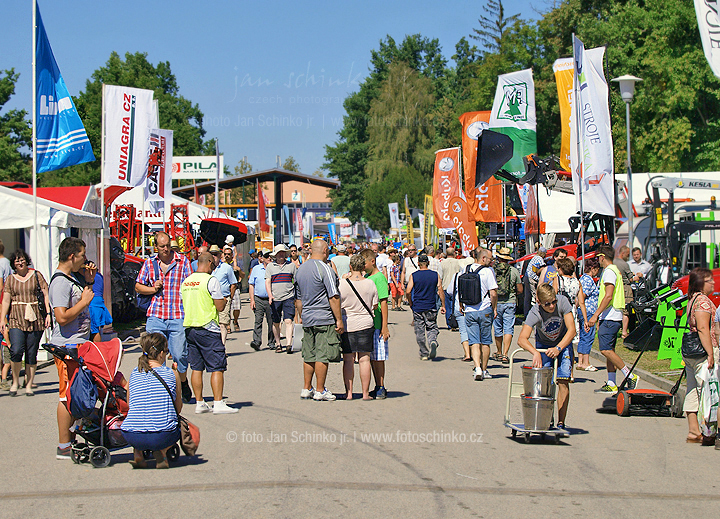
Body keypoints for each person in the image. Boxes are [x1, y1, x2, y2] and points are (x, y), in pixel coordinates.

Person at [49, 237, 96, 459]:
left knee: (76, 393)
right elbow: (62, 317)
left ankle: (70, 438)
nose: (85, 260)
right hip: (66, 347)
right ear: (71, 256)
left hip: (78, 345)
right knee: (66, 395)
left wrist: (88, 282)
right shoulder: (59, 282)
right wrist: (84, 302)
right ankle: (63, 445)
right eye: (82, 255)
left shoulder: (71, 279)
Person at [135, 231, 193, 403]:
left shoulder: (182, 262)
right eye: (162, 246)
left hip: (177, 314)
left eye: (168, 245)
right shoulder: (149, 264)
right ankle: (160, 388)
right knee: (153, 354)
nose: (166, 249)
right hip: (156, 315)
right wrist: (153, 289)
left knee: (179, 354)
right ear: (156, 247)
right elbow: (138, 286)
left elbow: (190, 285)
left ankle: (182, 382)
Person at [181, 252, 238, 414]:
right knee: (216, 367)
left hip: (190, 327)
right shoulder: (211, 280)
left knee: (196, 367)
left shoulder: (187, 281)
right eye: (213, 265)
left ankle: (200, 402)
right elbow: (219, 306)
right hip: (208, 327)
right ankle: (218, 402)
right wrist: (225, 300)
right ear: (209, 263)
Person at [517, 283, 576, 430]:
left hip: (562, 344)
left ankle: (561, 422)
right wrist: (535, 352)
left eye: (553, 302)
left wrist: (558, 348)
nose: (551, 306)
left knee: (563, 381)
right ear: (539, 302)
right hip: (544, 346)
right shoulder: (535, 312)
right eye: (547, 304)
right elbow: (522, 339)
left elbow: (572, 330)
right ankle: (546, 418)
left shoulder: (563, 302)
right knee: (544, 384)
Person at [121, 333, 182, 469]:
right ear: (161, 354)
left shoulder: (134, 373)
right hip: (162, 434)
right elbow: (178, 407)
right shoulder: (172, 373)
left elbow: (130, 403)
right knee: (177, 427)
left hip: (131, 434)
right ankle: (162, 451)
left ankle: (138, 452)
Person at [295, 239, 343, 401]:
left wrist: (302, 316)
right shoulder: (325, 269)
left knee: (309, 354)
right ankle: (320, 390)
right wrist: (339, 320)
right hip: (323, 317)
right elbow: (334, 296)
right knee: (322, 354)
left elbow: (298, 299)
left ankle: (306, 387)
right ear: (324, 250)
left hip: (308, 317)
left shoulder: (301, 269)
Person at [587, 245, 639, 393]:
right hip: (611, 315)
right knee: (609, 350)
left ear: (603, 257)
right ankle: (611, 382)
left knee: (605, 350)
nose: (598, 260)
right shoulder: (613, 270)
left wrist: (596, 315)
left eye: (598, 257)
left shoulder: (609, 272)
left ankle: (629, 375)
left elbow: (608, 295)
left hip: (610, 316)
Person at [0, 249, 51, 396]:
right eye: (17, 261)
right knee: (16, 350)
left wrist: (48, 313)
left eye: (22, 259)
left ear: (26, 260)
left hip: (35, 318)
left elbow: (45, 294)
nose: (20, 262)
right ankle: (15, 382)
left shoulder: (36, 275)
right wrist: (3, 319)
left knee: (31, 353)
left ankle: (29, 384)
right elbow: (5, 300)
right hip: (16, 318)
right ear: (13, 264)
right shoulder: (10, 279)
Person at [682, 267, 718, 444]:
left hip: (691, 352)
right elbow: (703, 328)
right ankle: (707, 430)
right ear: (701, 283)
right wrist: (711, 353)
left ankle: (693, 430)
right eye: (710, 280)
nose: (713, 283)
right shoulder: (703, 302)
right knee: (707, 391)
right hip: (703, 351)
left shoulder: (692, 299)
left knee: (692, 389)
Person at [340, 254, 378, 400]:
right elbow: (374, 304)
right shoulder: (369, 283)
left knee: (348, 360)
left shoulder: (342, 283)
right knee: (364, 359)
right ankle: (365, 393)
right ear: (363, 267)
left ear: (350, 266)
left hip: (348, 323)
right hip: (365, 323)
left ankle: (349, 393)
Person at [456, 248, 498, 380]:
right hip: (484, 309)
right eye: (490, 259)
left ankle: (477, 368)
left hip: (469, 310)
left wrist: (461, 304)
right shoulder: (487, 272)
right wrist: (494, 308)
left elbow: (460, 288)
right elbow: (493, 293)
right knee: (485, 342)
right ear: (483, 258)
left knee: (474, 341)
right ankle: (484, 369)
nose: (491, 261)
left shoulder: (466, 270)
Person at [360, 248, 391, 399]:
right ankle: (376, 385)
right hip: (367, 323)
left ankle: (381, 386)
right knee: (371, 357)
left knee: (378, 357)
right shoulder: (366, 276)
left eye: (364, 263)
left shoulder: (379, 278)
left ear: (372, 261)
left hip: (378, 323)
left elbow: (383, 302)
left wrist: (385, 326)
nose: (362, 266)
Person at [406, 254, 445, 360]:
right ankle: (432, 341)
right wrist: (443, 305)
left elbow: (408, 291)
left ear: (418, 263)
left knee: (419, 330)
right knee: (432, 326)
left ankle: (424, 353)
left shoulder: (414, 275)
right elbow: (440, 290)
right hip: (431, 305)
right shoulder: (435, 275)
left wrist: (410, 302)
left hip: (418, 306)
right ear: (428, 263)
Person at [493, 247, 522, 365]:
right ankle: (505, 354)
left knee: (497, 328)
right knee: (508, 328)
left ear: (498, 258)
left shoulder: (493, 270)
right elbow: (520, 289)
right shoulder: (514, 271)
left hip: (496, 302)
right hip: (510, 301)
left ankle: (499, 351)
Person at [265, 244, 297, 353]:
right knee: (276, 322)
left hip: (288, 297)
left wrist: (297, 296)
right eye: (279, 253)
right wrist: (270, 295)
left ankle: (288, 344)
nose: (281, 255)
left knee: (288, 320)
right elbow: (268, 281)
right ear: (275, 255)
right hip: (275, 298)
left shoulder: (291, 266)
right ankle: (278, 343)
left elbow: (296, 281)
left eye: (283, 253)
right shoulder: (270, 267)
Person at [209, 244, 236, 346]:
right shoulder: (207, 268)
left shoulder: (226, 268)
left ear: (220, 256)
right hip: (210, 300)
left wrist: (230, 298)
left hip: (224, 298)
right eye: (212, 254)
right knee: (212, 324)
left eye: (215, 254)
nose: (214, 257)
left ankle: (221, 347)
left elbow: (233, 284)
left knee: (222, 324)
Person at [576, 258, 600, 371]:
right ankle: (585, 361)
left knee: (583, 335)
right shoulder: (588, 280)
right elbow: (583, 295)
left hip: (585, 310)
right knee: (588, 335)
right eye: (597, 269)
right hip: (588, 310)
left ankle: (580, 361)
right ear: (593, 269)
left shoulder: (583, 278)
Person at [248, 249, 275, 350]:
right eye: (267, 256)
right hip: (258, 298)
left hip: (271, 299)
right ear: (262, 258)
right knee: (258, 321)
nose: (269, 258)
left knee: (271, 321)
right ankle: (257, 341)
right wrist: (252, 300)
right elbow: (251, 284)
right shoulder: (256, 269)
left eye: (270, 256)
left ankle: (271, 342)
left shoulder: (274, 269)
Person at [615, 245, 635, 339]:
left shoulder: (613, 262)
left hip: (616, 288)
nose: (628, 256)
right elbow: (630, 279)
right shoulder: (624, 264)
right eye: (627, 254)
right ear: (623, 253)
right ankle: (624, 332)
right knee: (626, 311)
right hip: (625, 289)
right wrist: (636, 277)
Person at [88, 266, 112, 343]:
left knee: (94, 331)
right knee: (96, 329)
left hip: (93, 304)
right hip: (99, 303)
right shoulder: (99, 276)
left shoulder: (91, 277)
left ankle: (97, 348)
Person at [439, 247, 461, 329]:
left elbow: (440, 276)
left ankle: (450, 323)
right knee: (456, 306)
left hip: (445, 286)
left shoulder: (442, 263)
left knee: (447, 307)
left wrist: (439, 288)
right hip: (456, 287)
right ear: (454, 253)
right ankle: (456, 322)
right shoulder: (458, 262)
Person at [225, 246, 244, 332]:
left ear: (232, 255)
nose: (227, 256)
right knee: (226, 307)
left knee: (236, 307)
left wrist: (239, 270)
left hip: (235, 287)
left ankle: (235, 321)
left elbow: (243, 276)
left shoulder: (237, 264)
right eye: (225, 254)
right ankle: (227, 324)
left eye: (229, 254)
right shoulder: (222, 265)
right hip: (226, 288)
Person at [525, 247, 547, 315]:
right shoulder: (539, 258)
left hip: (527, 277)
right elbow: (543, 268)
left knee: (527, 297)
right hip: (532, 278)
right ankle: (535, 313)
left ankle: (526, 313)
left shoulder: (534, 257)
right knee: (535, 296)